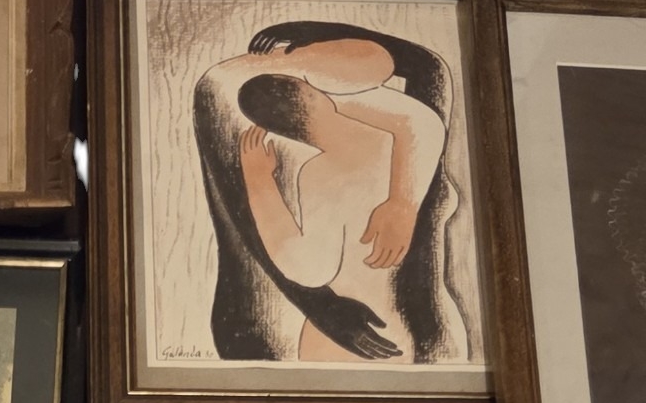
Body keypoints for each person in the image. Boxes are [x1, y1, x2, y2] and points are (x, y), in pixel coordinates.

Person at [193, 21, 464, 366]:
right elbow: (419, 120)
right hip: (362, 336)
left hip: (383, 332)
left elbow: (306, 268)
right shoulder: (389, 141)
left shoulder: (327, 167)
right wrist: (402, 203)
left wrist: (260, 182)